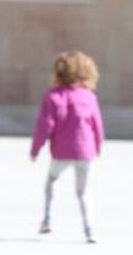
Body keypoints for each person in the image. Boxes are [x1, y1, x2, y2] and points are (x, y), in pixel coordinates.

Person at [31, 51, 104, 243]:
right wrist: (98, 147)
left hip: (62, 152)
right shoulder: (89, 96)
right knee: (84, 193)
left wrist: (36, 149)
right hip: (85, 152)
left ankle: (47, 220)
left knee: (51, 182)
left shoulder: (53, 96)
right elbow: (97, 125)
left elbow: (45, 125)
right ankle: (90, 231)